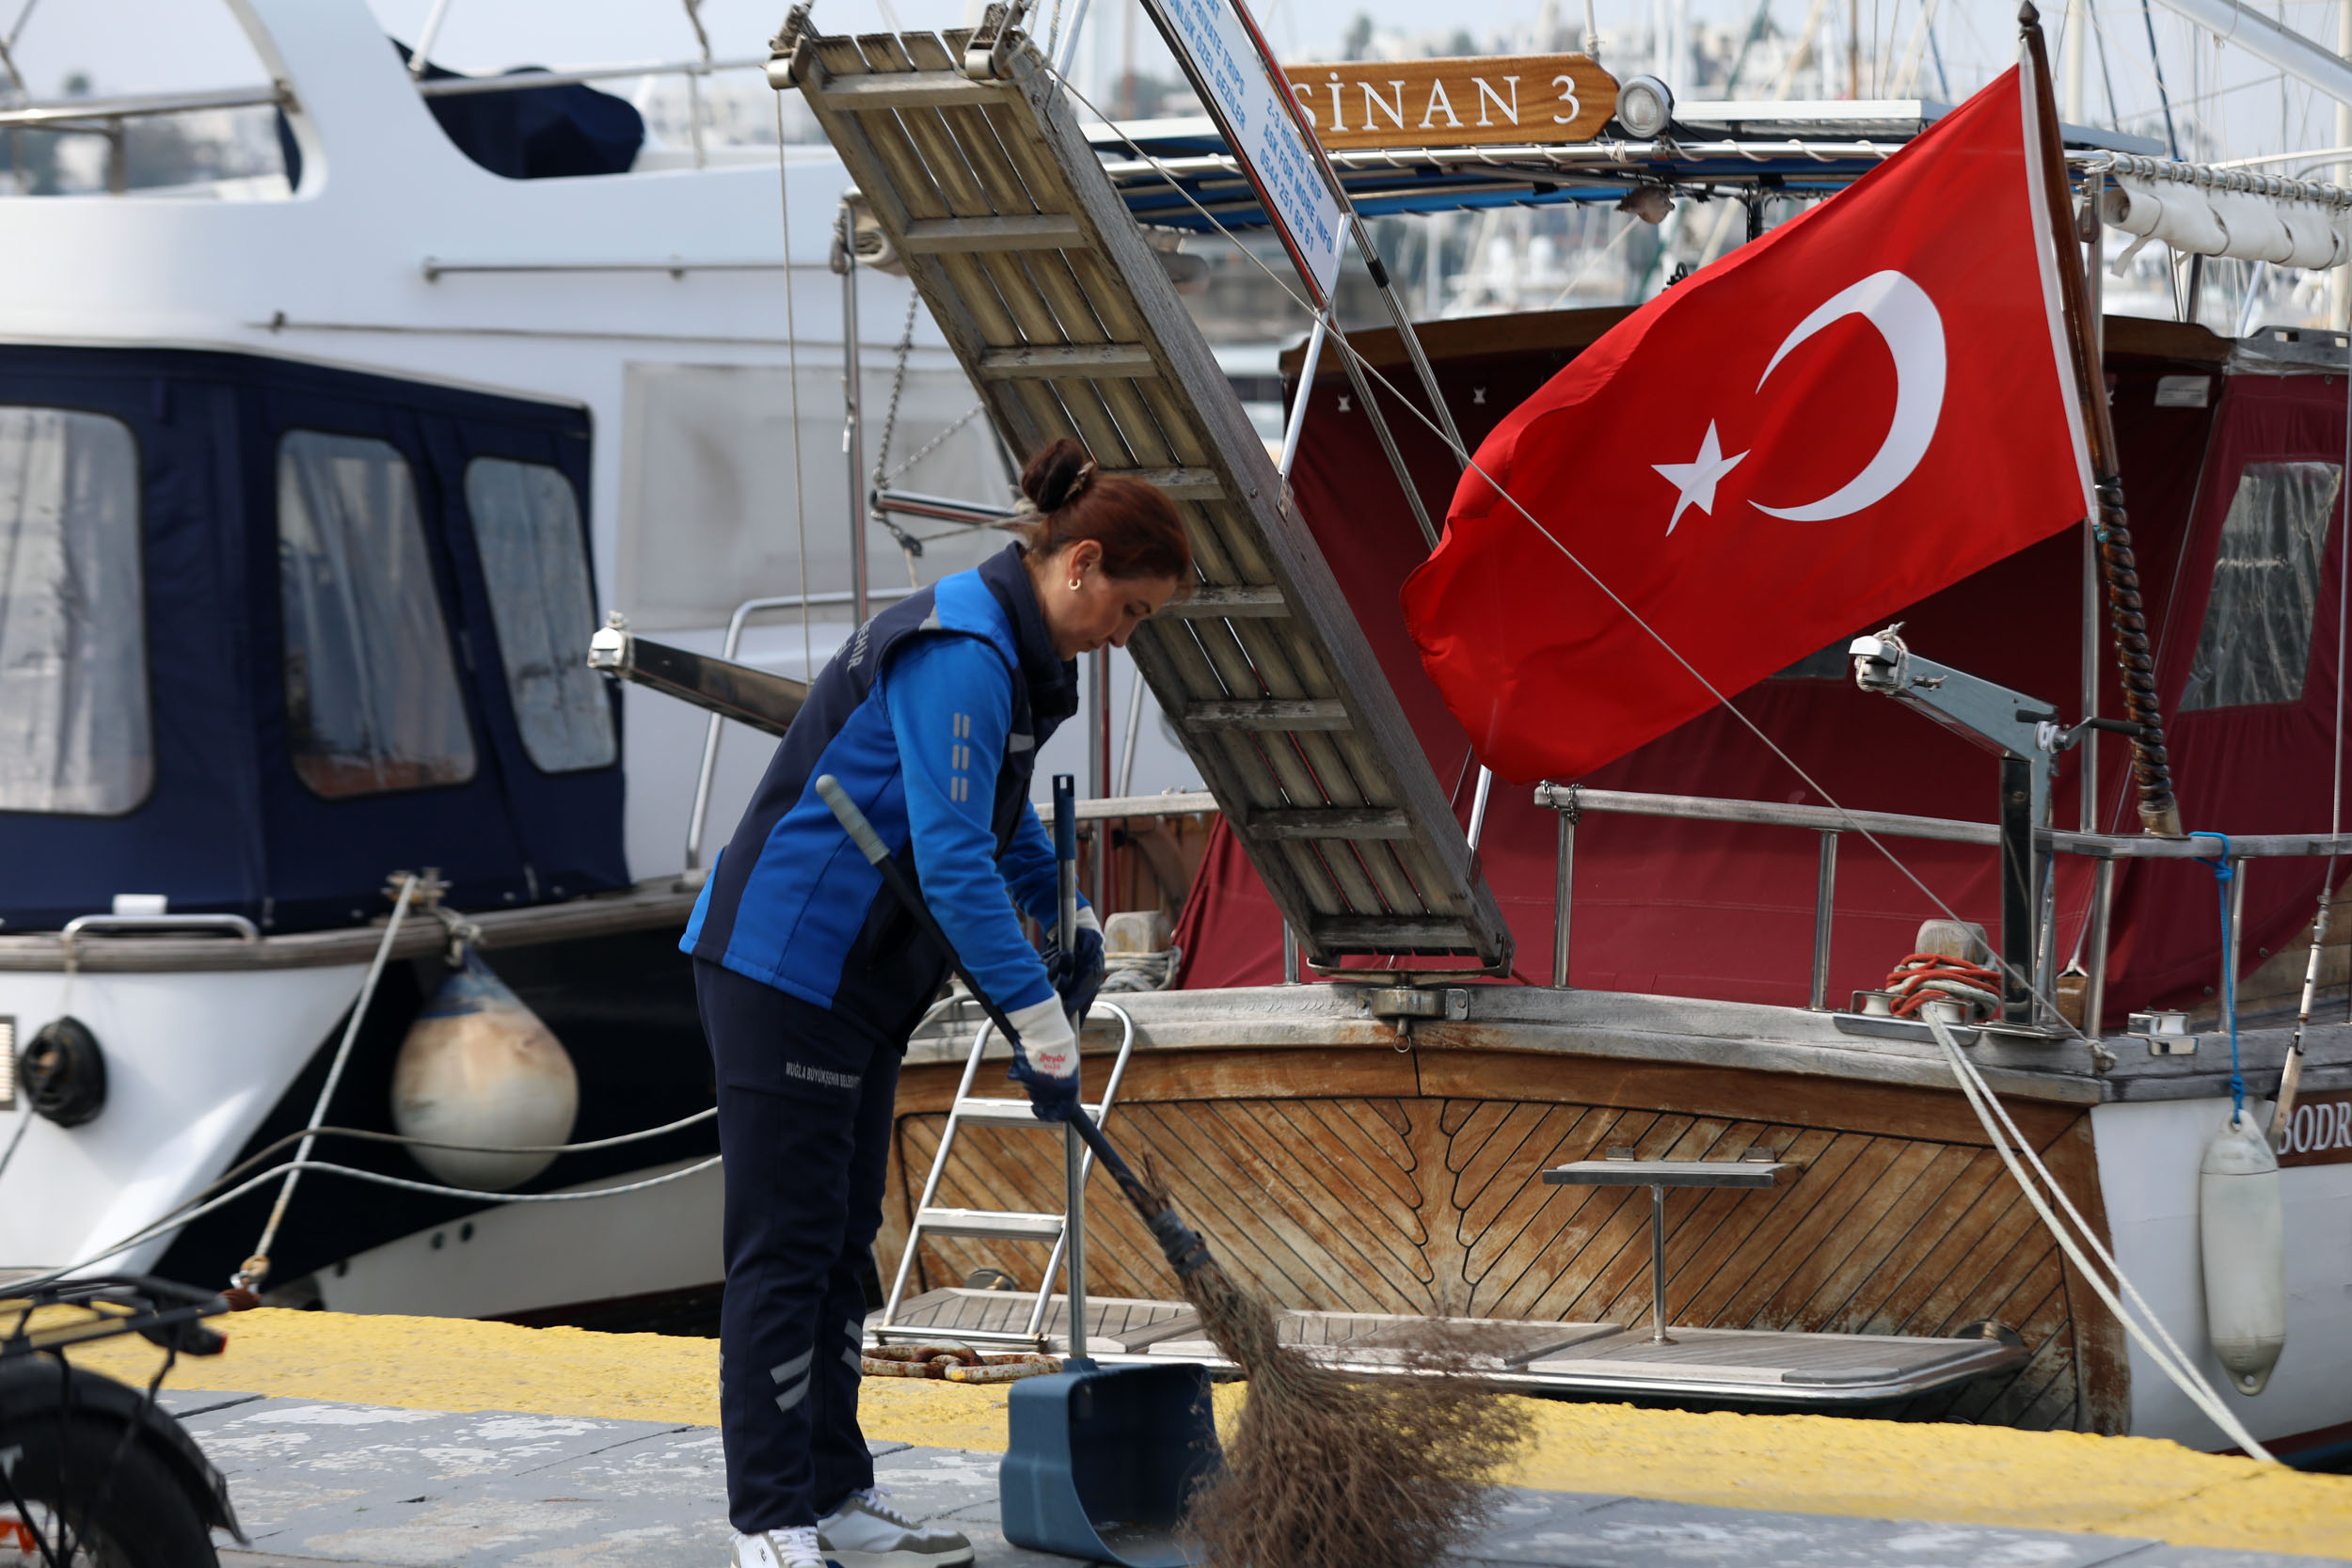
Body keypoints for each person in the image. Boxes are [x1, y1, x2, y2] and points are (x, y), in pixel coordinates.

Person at [682, 438, 1193, 1568]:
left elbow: (992, 821)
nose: (1125, 635)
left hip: (854, 984)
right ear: (1083, 562)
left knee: (843, 1242)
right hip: (785, 966)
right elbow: (950, 859)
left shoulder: (1003, 650)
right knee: (787, 1246)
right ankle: (766, 1515)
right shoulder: (963, 649)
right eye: (1132, 609)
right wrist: (1042, 1018)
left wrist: (1062, 916)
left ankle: (834, 1491)